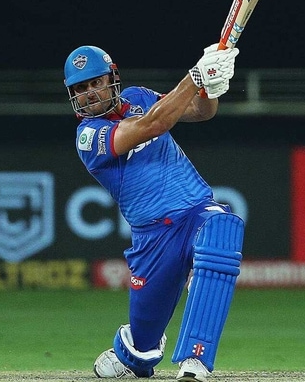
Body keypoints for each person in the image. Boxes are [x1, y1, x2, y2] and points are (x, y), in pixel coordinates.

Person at [63, 44, 244, 382]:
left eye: (95, 83)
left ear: (112, 78)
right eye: (80, 89)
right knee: (142, 356)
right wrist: (194, 76)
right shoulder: (88, 137)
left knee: (222, 228)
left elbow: (200, 111)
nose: (89, 94)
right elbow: (152, 126)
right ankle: (130, 348)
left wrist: (210, 87)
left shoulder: (139, 96)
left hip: (194, 211)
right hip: (153, 238)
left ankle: (195, 360)